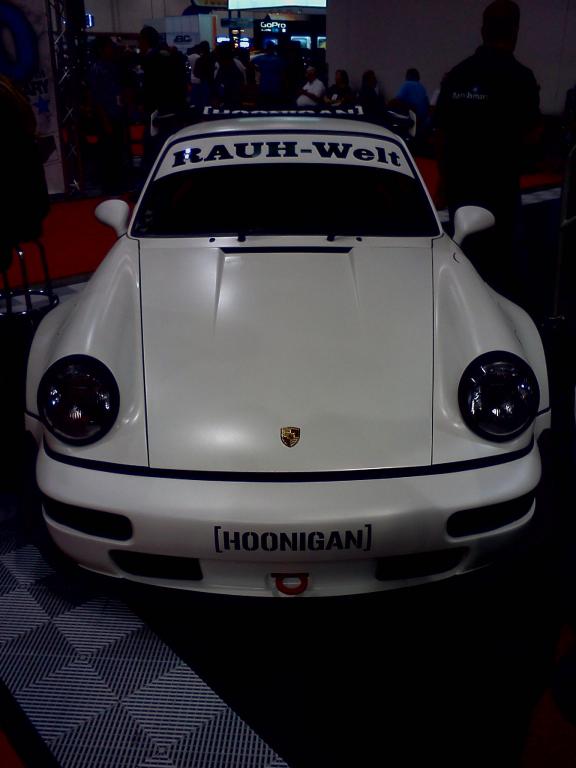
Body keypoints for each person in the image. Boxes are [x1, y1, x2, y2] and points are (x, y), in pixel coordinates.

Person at [433, 0, 540, 300]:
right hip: (500, 188)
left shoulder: (457, 75)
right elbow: (532, 137)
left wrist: (443, 180)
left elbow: (440, 133)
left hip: (459, 185)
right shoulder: (521, 78)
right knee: (502, 266)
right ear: (515, 31)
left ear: (482, 30)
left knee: (462, 253)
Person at [395, 68, 430, 137]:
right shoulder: (421, 87)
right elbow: (426, 102)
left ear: (408, 76)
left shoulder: (406, 85)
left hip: (412, 119)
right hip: (423, 120)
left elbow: (398, 99)